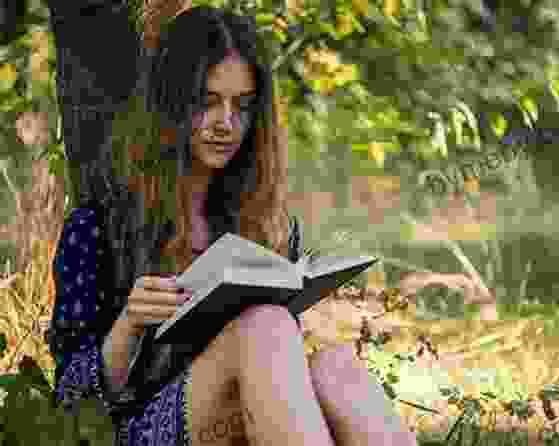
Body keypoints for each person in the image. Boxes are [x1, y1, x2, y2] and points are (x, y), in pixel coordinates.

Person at [46, 6, 419, 446]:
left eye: (241, 106)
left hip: (240, 415)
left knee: (336, 366)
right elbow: (71, 401)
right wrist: (129, 322)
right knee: (264, 326)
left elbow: (276, 376)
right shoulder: (100, 226)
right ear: (171, 103)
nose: (226, 123)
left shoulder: (267, 223)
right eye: (207, 102)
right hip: (135, 431)